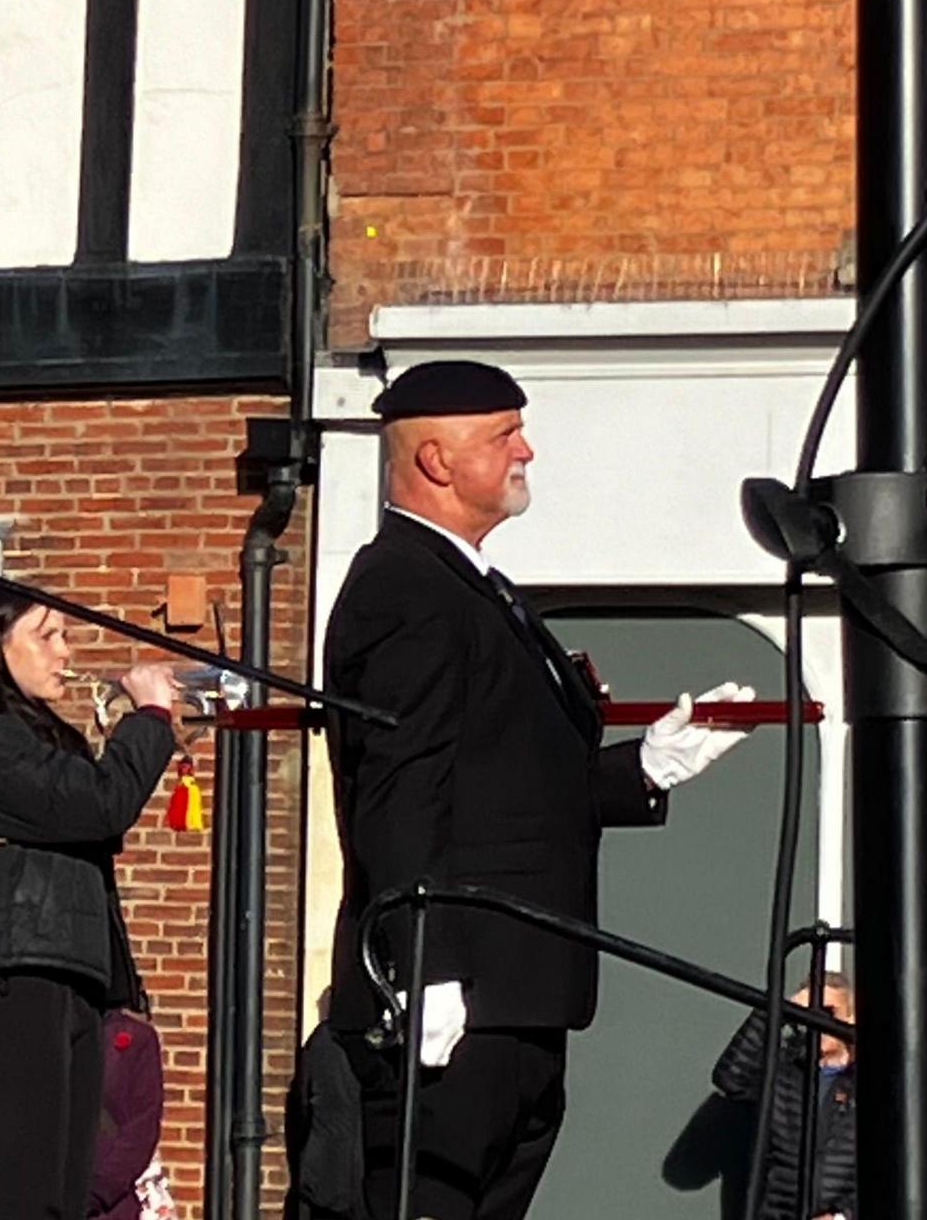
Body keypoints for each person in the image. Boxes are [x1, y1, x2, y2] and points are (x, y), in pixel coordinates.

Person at [314, 359, 756, 1220]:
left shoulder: (475, 587)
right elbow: (401, 791)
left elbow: (506, 783)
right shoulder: (406, 589)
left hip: (520, 993)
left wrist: (646, 767)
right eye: (503, 434)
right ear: (437, 460)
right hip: (460, 1001)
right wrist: (424, 967)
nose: (529, 449)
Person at [0, 587, 181, 1220]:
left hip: (65, 980)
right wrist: (147, 720)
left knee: (66, 1199)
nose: (65, 653)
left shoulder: (26, 741)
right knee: (25, 1196)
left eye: (66, 635)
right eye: (47, 635)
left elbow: (88, 808)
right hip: (13, 980)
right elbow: (97, 803)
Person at [709, 976, 857, 1220]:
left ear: (851, 1017)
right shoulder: (784, 1071)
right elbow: (730, 1079)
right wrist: (779, 1010)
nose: (818, 1020)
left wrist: (841, 1215)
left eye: (829, 1011)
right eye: (810, 1012)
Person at [88, 1008, 165, 1220]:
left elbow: (142, 1129)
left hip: (110, 1204)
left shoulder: (137, 1038)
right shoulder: (43, 1034)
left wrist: (96, 1190)